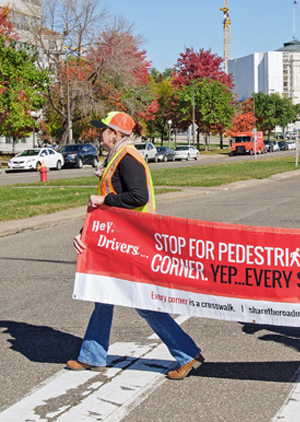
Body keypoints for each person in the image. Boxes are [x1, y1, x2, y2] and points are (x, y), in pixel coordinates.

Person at [67, 111, 203, 380]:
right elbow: (106, 203)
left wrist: (104, 201)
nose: (100, 133)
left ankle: (186, 353)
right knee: (104, 297)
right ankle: (92, 355)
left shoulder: (128, 158)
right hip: (116, 241)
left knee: (142, 303)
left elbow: (136, 196)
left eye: (103, 129)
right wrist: (85, 233)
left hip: (132, 243)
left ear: (116, 134)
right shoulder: (116, 157)